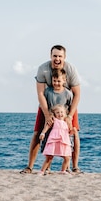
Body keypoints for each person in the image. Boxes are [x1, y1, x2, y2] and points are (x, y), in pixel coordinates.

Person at [20, 44, 82, 174]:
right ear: (50, 56)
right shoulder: (43, 69)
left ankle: (75, 166)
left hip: (66, 107)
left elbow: (77, 94)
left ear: (64, 57)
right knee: (38, 133)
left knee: (74, 132)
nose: (57, 59)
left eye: (60, 56)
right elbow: (40, 94)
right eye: (55, 56)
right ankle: (30, 167)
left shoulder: (71, 69)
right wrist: (47, 114)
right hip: (47, 105)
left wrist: (70, 116)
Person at [38, 104, 72, 175]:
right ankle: (42, 171)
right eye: (58, 112)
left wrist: (73, 131)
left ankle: (63, 170)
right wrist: (43, 133)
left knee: (67, 157)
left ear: (65, 113)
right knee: (49, 157)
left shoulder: (67, 122)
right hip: (54, 140)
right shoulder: (54, 120)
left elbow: (70, 132)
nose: (60, 114)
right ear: (54, 114)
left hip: (63, 141)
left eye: (62, 112)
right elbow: (47, 126)